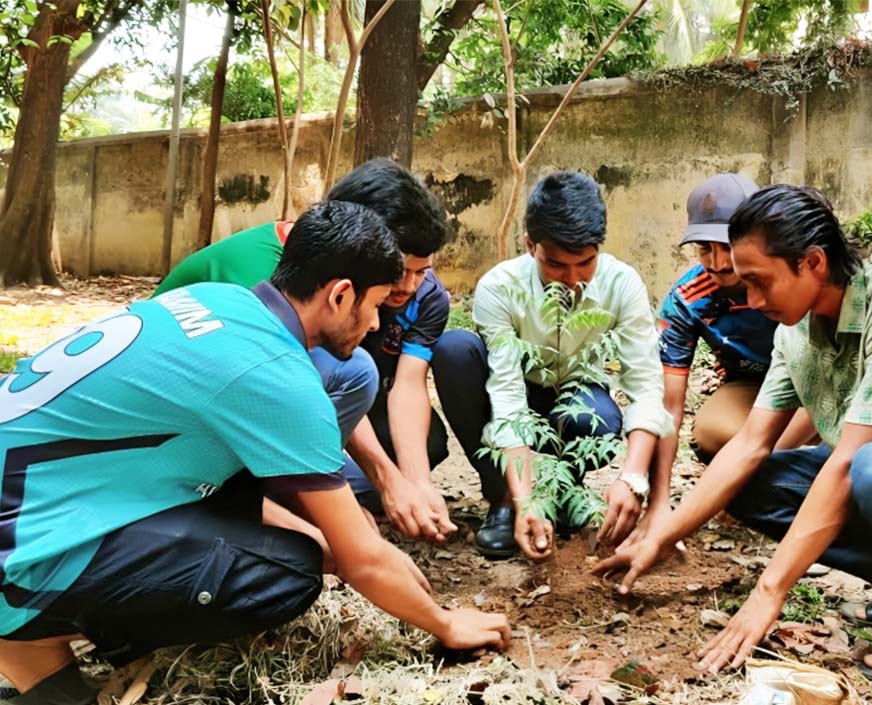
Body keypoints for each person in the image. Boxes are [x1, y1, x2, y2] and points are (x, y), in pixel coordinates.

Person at [0, 201, 509, 705]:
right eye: (376, 305)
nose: (376, 324)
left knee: (295, 528)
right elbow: (361, 562)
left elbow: (238, 491)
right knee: (287, 570)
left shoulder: (217, 299)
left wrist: (335, 538)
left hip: (27, 495)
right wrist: (445, 622)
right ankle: (30, 626)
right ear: (340, 294)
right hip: (21, 538)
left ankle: (31, 643)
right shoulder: (278, 377)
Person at [595, 184, 872, 691]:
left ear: (811, 261)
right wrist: (662, 535)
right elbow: (749, 444)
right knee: (752, 484)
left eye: (760, 282)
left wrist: (769, 591)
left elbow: (851, 461)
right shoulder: (797, 331)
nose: (751, 300)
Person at [156, 158, 457, 544]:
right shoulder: (272, 280)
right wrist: (333, 521)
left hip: (237, 402)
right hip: (184, 424)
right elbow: (299, 391)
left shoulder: (334, 272)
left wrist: (410, 482)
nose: (409, 287)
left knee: (365, 484)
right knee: (355, 375)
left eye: (422, 272)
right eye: (398, 271)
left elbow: (403, 385)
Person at [432, 171, 673, 559]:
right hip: (517, 391)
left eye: (585, 264)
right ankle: (503, 498)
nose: (572, 280)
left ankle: (564, 492)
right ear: (530, 245)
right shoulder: (499, 287)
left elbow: (645, 385)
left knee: (597, 415)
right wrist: (523, 498)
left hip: (579, 395)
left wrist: (632, 479)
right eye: (556, 265)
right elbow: (507, 396)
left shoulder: (622, 283)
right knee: (454, 351)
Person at [654, 174, 814, 503]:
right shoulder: (687, 299)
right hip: (753, 386)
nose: (719, 263)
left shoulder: (798, 278)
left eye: (728, 246)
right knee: (711, 432)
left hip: (816, 387)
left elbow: (830, 374)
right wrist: (657, 501)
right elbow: (669, 406)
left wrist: (753, 465)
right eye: (704, 248)